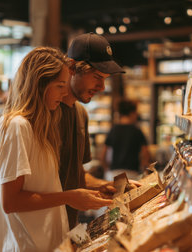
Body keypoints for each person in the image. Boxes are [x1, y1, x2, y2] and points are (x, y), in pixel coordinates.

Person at [0, 47, 113, 252]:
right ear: (39, 85)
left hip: (46, 243)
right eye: (60, 86)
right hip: (24, 245)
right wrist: (70, 196)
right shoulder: (16, 127)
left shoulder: (39, 126)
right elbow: (11, 201)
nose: (65, 92)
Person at [59, 32, 133, 229]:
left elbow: (76, 175)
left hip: (67, 227)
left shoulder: (80, 114)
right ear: (73, 68)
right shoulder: (46, 115)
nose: (101, 87)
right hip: (36, 232)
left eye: (105, 79)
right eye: (97, 77)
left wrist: (105, 185)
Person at [101, 99, 152, 181]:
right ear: (132, 113)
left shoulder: (113, 130)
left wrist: (107, 171)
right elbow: (146, 156)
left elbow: (103, 155)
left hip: (113, 174)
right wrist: (145, 172)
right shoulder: (137, 131)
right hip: (132, 175)